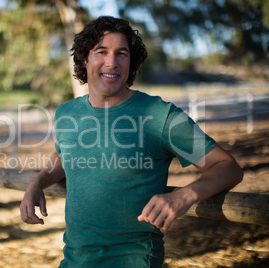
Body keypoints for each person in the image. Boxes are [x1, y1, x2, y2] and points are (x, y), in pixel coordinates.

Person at [20, 16, 243, 267]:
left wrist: (184, 196)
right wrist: (37, 182)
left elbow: (227, 167)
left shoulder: (159, 114)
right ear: (85, 59)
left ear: (131, 61)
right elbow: (64, 155)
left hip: (133, 260)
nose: (112, 63)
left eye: (122, 53)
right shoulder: (66, 113)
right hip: (74, 258)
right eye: (101, 52)